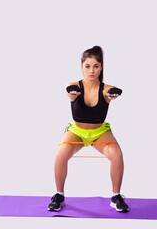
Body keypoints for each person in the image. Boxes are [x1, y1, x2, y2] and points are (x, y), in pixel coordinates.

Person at [48, 46, 129, 212]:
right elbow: (68, 89)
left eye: (96, 66)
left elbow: (112, 91)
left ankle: (116, 197)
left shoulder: (105, 89)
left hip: (99, 133)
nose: (91, 70)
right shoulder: (74, 87)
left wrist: (115, 93)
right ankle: (59, 195)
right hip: (77, 132)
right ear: (82, 66)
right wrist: (71, 91)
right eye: (88, 66)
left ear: (101, 67)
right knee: (61, 153)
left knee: (116, 154)